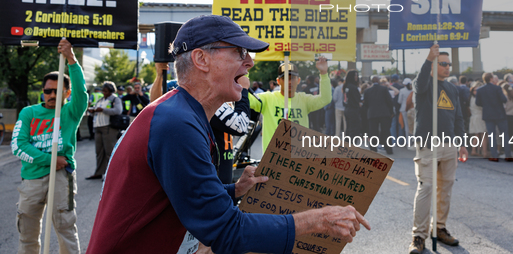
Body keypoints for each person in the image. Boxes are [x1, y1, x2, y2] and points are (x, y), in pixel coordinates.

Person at [86, 15, 369, 254]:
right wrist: (318, 219)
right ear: (201, 59)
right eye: (238, 52)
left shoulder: (179, 112)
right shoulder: (177, 124)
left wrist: (234, 190)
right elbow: (226, 231)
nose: (249, 63)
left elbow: (183, 192)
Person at [12, 39, 88, 254]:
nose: (52, 95)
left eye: (57, 91)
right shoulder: (29, 113)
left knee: (65, 228)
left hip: (62, 177)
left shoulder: (70, 112)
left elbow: (82, 95)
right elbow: (18, 145)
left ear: (66, 92)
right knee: (26, 230)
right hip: (33, 178)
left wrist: (72, 60)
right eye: (48, 91)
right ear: (43, 91)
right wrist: (50, 160)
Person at [409, 45, 468, 254]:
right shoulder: (423, 84)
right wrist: (428, 59)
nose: (447, 67)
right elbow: (420, 84)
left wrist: (461, 143)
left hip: (449, 146)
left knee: (445, 189)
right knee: (425, 189)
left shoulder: (453, 89)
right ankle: (419, 236)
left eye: (449, 64)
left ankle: (440, 228)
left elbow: (458, 118)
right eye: (442, 63)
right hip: (428, 144)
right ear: (433, 65)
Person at [151, 62, 251, 184]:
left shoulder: (222, 95)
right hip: (212, 178)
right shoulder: (205, 98)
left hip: (223, 174)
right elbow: (240, 126)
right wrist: (244, 90)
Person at [249, 60, 331, 152]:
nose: (289, 82)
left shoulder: (304, 100)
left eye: (292, 78)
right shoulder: (268, 98)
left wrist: (323, 73)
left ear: (298, 80)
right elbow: (246, 100)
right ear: (278, 81)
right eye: (285, 78)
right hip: (273, 158)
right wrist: (244, 73)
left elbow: (325, 99)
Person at [86, 81, 122, 180]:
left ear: (111, 90)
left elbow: (118, 111)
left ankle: (111, 174)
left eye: (106, 91)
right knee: (99, 151)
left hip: (108, 127)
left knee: (109, 151)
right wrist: (93, 110)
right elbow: (96, 109)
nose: (104, 92)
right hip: (98, 126)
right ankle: (99, 172)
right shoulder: (101, 99)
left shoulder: (115, 99)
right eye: (103, 90)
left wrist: (103, 110)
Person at [476, 72, 513, 162]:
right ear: (491, 79)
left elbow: (478, 103)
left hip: (488, 114)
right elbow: (504, 99)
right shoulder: (497, 88)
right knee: (504, 134)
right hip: (499, 114)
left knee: (491, 135)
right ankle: (508, 155)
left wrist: (486, 105)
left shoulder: (480, 90)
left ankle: (494, 155)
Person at [362, 76, 394, 154]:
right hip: (384, 113)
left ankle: (373, 149)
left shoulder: (367, 91)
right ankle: (388, 149)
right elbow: (389, 101)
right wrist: (391, 112)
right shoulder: (384, 89)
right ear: (379, 81)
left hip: (372, 114)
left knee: (373, 132)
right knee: (386, 131)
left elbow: (365, 103)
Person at [469, 82, 488, 157]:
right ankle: (485, 152)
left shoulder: (471, 98)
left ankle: (474, 150)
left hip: (474, 117)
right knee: (484, 135)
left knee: (476, 135)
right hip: (479, 117)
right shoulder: (478, 99)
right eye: (475, 90)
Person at [344, 70, 363, 137]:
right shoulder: (353, 88)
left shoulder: (346, 86)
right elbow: (358, 99)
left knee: (348, 129)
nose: (356, 77)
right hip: (353, 110)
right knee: (354, 130)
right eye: (355, 75)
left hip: (347, 109)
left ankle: (347, 144)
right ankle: (351, 145)